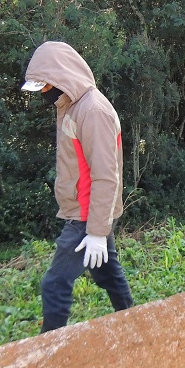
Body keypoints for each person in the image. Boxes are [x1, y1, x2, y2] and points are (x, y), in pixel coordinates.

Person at [21, 41, 133, 332]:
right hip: (85, 211)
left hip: (86, 215)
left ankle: (51, 352)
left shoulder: (92, 111)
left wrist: (96, 230)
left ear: (62, 77)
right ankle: (133, 324)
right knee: (107, 274)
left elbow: (106, 176)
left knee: (55, 284)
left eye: (46, 86)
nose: (44, 93)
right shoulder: (70, 106)